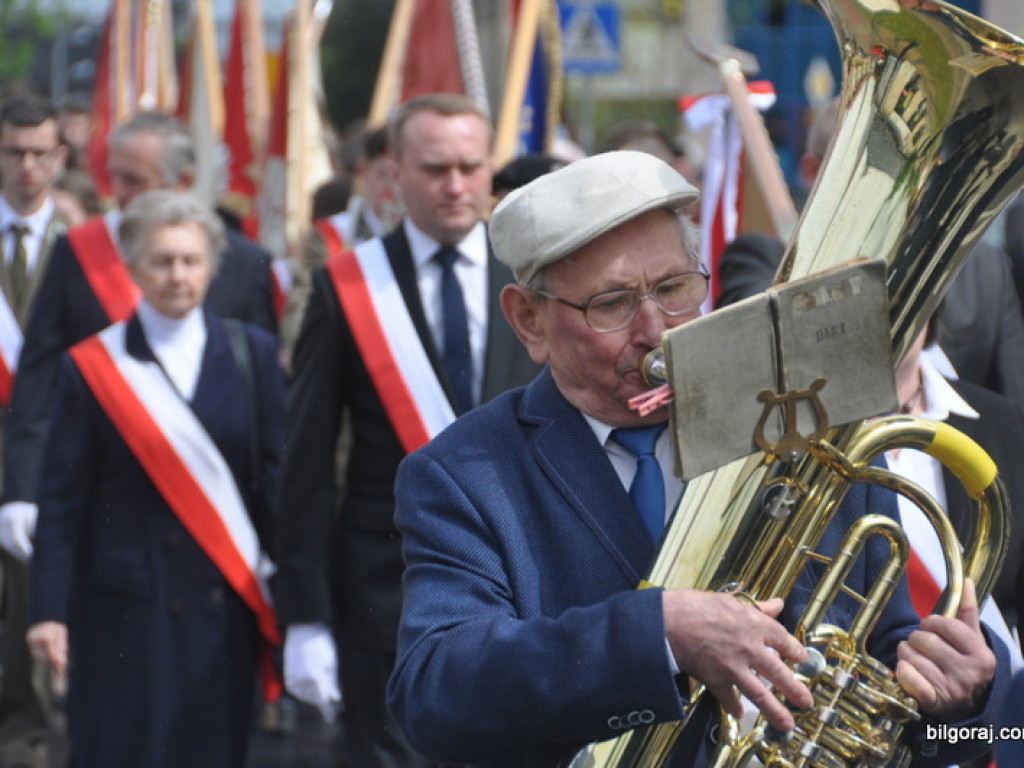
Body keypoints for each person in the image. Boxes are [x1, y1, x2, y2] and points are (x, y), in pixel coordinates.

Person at [386, 150, 1010, 767]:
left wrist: (963, 703)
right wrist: (656, 633)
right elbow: (434, 693)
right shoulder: (465, 473)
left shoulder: (802, 418)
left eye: (674, 288)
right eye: (612, 303)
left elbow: (893, 672)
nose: (657, 330)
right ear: (529, 320)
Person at [275, 93, 541, 767]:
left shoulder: (534, 278)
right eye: (434, 168)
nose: (454, 185)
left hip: (527, 583)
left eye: (469, 166)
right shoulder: (348, 286)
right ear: (394, 173)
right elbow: (304, 458)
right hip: (387, 592)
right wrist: (305, 614)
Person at [25, 189, 285, 767]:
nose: (177, 275)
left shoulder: (253, 354)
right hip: (122, 610)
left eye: (191, 261)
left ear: (212, 268)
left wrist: (291, 595)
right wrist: (47, 609)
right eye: (161, 260)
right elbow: (62, 499)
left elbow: (275, 482)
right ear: (132, 267)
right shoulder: (93, 364)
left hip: (223, 604)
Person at [0, 110, 278, 567]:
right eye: (114, 177)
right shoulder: (79, 250)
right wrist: (21, 491)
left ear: (182, 180)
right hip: (108, 501)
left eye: (134, 181)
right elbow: (38, 378)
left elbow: (262, 400)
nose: (118, 194)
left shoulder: (244, 264)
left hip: (213, 505)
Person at [717, 100, 1024, 413]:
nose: (895, 184)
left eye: (911, 165)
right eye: (870, 165)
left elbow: (1011, 409)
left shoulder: (983, 267)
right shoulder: (765, 258)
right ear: (812, 171)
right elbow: (750, 353)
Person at [0, 91, 70, 768]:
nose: (26, 167)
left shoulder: (90, 249)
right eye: (13, 152)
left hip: (52, 465)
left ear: (60, 157)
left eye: (39, 153)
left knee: (38, 624)